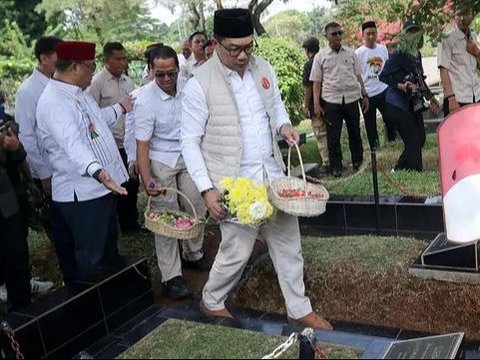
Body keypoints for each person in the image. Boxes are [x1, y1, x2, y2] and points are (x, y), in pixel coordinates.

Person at [181, 8, 332, 330]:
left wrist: (284, 127)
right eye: (234, 48)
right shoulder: (198, 84)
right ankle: (211, 301)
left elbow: (275, 106)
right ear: (215, 44)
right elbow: (189, 143)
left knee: (289, 245)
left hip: (272, 176)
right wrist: (208, 190)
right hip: (235, 184)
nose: (243, 55)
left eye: (248, 46)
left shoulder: (262, 68)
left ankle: (298, 308)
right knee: (237, 250)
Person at [37, 41, 133, 286]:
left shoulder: (78, 93)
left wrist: (121, 108)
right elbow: (73, 145)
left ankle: (115, 302)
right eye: (91, 66)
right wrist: (100, 172)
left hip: (100, 189)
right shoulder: (55, 102)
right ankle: (96, 309)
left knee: (107, 250)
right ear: (75, 67)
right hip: (81, 193)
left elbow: (97, 123)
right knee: (92, 260)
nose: (94, 71)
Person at [135, 46, 209, 300]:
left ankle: (193, 254)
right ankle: (171, 276)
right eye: (161, 75)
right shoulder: (144, 99)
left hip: (188, 154)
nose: (167, 80)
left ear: (179, 70)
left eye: (172, 74)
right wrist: (148, 181)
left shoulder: (189, 86)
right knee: (165, 217)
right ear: (151, 72)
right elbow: (142, 145)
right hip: (160, 159)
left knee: (197, 204)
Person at [88, 42, 140, 235]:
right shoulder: (96, 83)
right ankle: (116, 224)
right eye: (118, 59)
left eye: (124, 58)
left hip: (128, 140)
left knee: (132, 182)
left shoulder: (128, 81)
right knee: (114, 184)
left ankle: (131, 223)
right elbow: (91, 115)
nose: (122, 62)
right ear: (106, 60)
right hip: (110, 144)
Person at [15, 36, 63, 239]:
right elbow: (26, 136)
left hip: (62, 164)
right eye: (59, 56)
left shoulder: (60, 83)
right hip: (45, 169)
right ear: (44, 58)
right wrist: (43, 173)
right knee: (56, 222)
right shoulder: (28, 91)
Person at [310, 22, 369, 178]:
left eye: (339, 33)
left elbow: (358, 76)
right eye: (334, 34)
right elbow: (316, 82)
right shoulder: (320, 56)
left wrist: (364, 95)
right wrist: (316, 104)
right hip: (331, 101)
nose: (337, 36)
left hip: (351, 98)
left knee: (355, 132)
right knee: (333, 136)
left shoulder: (350, 53)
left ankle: (357, 161)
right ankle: (336, 166)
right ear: (326, 36)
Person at [379, 20, 440, 171]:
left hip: (414, 102)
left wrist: (430, 97)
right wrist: (402, 86)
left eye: (416, 32)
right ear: (404, 35)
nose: (413, 35)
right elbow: (383, 76)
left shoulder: (416, 54)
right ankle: (416, 171)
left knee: (421, 137)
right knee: (413, 139)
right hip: (397, 103)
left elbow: (420, 77)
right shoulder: (398, 55)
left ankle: (399, 168)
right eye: (410, 32)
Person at [0, 111, 31, 311]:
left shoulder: (4, 124)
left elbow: (18, 157)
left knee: (17, 258)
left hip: (6, 204)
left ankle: (23, 310)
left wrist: (15, 146)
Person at [356, 21, 396, 149]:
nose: (371, 36)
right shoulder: (358, 53)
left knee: (390, 118)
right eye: (368, 34)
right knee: (370, 124)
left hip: (384, 90)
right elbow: (357, 75)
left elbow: (387, 67)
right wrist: (363, 94)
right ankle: (375, 149)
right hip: (367, 94)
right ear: (363, 35)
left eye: (373, 33)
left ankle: (393, 142)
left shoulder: (382, 48)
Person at [438, 4, 480, 116]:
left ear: (472, 15)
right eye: (459, 14)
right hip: (457, 99)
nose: (462, 18)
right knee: (458, 133)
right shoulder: (447, 38)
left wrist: (477, 52)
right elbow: (443, 70)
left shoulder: (475, 37)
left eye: (466, 13)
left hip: (476, 96)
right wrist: (451, 99)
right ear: (454, 16)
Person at [302, 36, 329, 174]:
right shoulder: (325, 58)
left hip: (316, 104)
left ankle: (326, 162)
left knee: (320, 133)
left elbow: (309, 87)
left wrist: (306, 105)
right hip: (330, 101)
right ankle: (336, 159)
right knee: (331, 132)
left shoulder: (309, 64)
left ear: (307, 50)